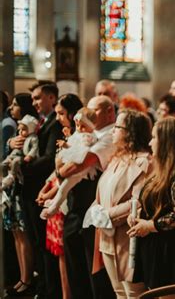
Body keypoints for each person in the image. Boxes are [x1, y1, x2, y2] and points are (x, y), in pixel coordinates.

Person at [84, 109, 152, 298]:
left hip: (127, 238)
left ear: (131, 132)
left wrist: (108, 215)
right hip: (107, 237)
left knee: (134, 293)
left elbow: (140, 200)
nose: (112, 131)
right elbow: (102, 193)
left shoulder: (145, 162)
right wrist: (95, 210)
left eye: (117, 127)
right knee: (119, 292)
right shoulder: (116, 159)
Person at [128, 117, 175, 292]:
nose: (150, 142)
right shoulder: (160, 170)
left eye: (154, 138)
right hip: (155, 247)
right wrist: (137, 217)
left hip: (171, 251)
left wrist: (149, 225)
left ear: (166, 141)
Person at [59, 95, 116, 299]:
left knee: (95, 271)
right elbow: (62, 160)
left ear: (110, 111)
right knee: (76, 267)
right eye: (87, 110)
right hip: (75, 206)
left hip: (93, 206)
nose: (89, 115)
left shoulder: (111, 135)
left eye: (95, 110)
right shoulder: (85, 133)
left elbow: (81, 162)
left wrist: (61, 170)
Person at [35, 93, 83, 299]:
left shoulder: (78, 140)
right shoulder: (67, 137)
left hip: (67, 200)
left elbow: (69, 174)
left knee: (66, 254)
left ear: (73, 115)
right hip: (57, 195)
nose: (58, 118)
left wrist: (51, 192)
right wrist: (46, 187)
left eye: (62, 113)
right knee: (60, 254)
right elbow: (56, 172)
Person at [19, 82, 63, 298]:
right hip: (33, 190)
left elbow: (49, 160)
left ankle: (48, 290)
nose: (34, 103)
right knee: (37, 242)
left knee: (44, 245)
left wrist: (23, 165)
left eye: (38, 98)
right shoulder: (41, 122)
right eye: (34, 98)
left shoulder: (55, 124)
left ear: (52, 98)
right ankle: (43, 286)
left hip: (41, 189)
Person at [2, 93, 38, 297]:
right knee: (16, 232)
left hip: (21, 186)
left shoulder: (28, 133)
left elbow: (28, 154)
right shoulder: (17, 130)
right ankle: (22, 277)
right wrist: (9, 144)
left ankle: (27, 278)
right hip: (13, 186)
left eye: (15, 105)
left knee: (22, 234)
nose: (11, 108)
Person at [40, 107, 98, 219]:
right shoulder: (81, 134)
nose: (80, 128)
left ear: (92, 126)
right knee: (63, 187)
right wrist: (68, 136)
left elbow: (79, 150)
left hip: (79, 169)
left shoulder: (89, 137)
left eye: (83, 126)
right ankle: (56, 202)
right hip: (73, 166)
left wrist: (66, 145)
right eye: (77, 125)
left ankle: (54, 206)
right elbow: (75, 141)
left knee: (64, 188)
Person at [2, 115, 39, 188]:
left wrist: (30, 156)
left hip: (23, 157)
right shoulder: (20, 136)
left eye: (23, 130)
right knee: (4, 163)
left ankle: (11, 176)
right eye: (20, 129)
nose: (20, 132)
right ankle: (4, 177)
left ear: (30, 129)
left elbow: (34, 148)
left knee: (16, 161)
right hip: (16, 154)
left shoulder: (33, 138)